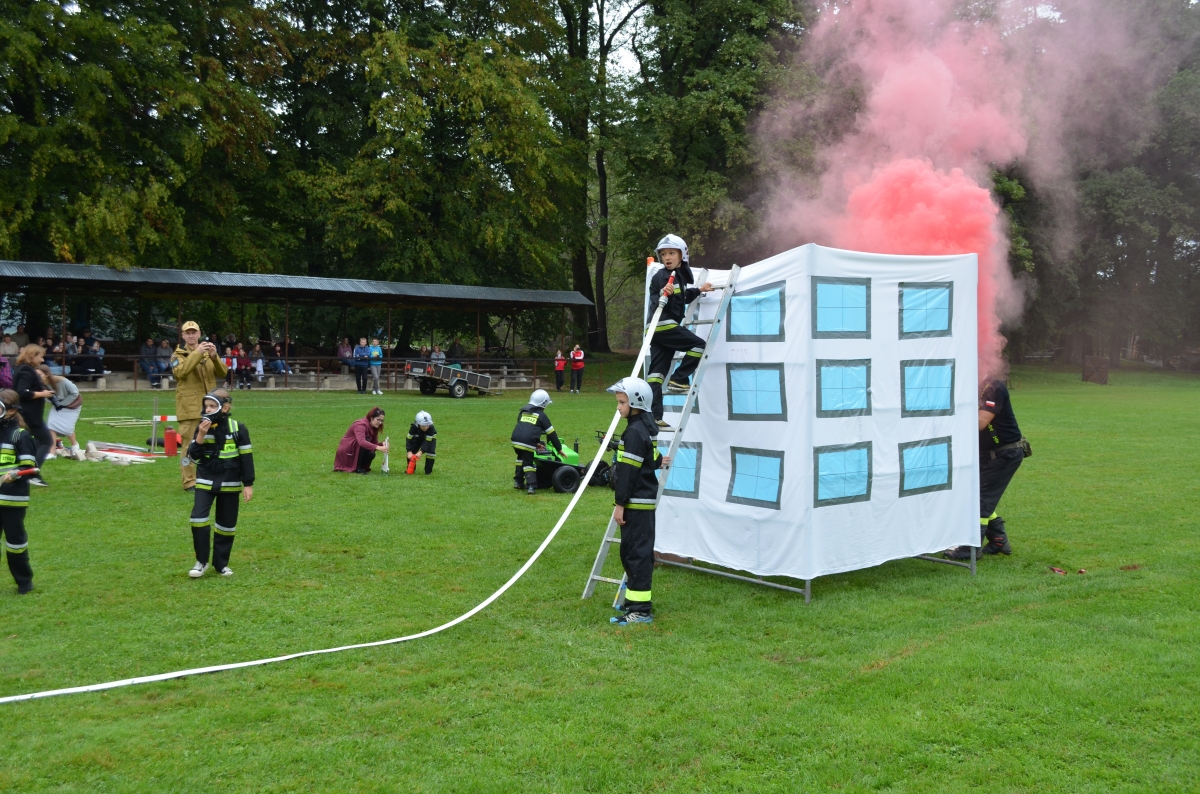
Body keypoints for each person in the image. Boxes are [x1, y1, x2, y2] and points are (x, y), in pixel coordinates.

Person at [946, 379, 1027, 560]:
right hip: (988, 454)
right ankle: (998, 539)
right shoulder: (975, 387)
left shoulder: (993, 387)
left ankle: (971, 547)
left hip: (1004, 454)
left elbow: (981, 422)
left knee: (981, 498)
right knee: (975, 495)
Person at [606, 377, 662, 626]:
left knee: (636, 555)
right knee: (633, 553)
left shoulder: (635, 432)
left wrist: (620, 504)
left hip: (636, 504)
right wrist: (659, 461)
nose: (618, 407)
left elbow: (628, 473)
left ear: (637, 403)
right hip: (640, 503)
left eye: (622, 402)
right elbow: (652, 458)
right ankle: (634, 604)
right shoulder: (643, 427)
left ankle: (640, 611)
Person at [646, 234, 713, 426]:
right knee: (698, 345)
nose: (666, 257)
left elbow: (682, 297)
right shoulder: (661, 276)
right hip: (663, 325)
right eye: (663, 254)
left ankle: (654, 416)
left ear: (682, 255)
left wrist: (699, 290)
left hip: (654, 331)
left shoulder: (680, 277)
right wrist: (663, 292)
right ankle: (679, 379)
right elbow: (659, 294)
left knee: (656, 375)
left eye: (671, 253)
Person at [186, 390, 254, 578]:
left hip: (230, 482)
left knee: (226, 525)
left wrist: (248, 484)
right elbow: (194, 455)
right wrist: (201, 434)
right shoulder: (201, 426)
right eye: (206, 406)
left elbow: (246, 458)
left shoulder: (238, 428)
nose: (207, 409)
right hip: (205, 481)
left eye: (212, 406)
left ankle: (221, 564)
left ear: (225, 408)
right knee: (197, 519)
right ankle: (201, 562)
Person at [171, 321, 227, 492]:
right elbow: (181, 372)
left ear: (199, 334)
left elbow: (223, 372)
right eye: (187, 333)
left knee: (213, 443)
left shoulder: (207, 352)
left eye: (194, 332)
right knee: (188, 446)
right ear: (183, 336)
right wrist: (197, 353)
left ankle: (210, 476)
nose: (191, 336)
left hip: (210, 408)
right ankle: (189, 482)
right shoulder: (177, 355)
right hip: (189, 408)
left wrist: (214, 357)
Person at [0, 389, 38, 593]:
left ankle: (24, 582)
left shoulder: (20, 435)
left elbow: (30, 468)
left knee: (15, 543)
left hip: (12, 499)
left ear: (12, 410)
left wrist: (14, 475)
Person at [13, 345, 53, 483]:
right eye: (40, 356)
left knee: (27, 444)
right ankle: (32, 474)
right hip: (29, 415)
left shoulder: (23, 368)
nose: (42, 360)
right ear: (32, 356)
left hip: (26, 414)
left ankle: (22, 471)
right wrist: (43, 394)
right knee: (47, 441)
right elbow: (22, 392)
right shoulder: (26, 370)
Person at [510, 389, 562, 495]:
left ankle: (518, 482)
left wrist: (535, 443)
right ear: (544, 403)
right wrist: (559, 448)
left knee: (520, 458)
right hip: (527, 442)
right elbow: (551, 433)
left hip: (515, 440)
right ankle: (531, 486)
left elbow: (525, 429)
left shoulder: (523, 412)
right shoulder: (541, 415)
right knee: (528, 463)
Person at [40, 365, 84, 461]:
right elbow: (45, 397)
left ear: (47, 374)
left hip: (72, 405)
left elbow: (75, 393)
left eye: (40, 375)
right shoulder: (40, 384)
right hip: (58, 406)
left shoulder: (62, 381)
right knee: (51, 426)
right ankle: (52, 453)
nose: (37, 377)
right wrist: (54, 402)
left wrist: (62, 404)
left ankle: (75, 446)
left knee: (68, 429)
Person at [334, 407, 389, 473]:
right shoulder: (360, 425)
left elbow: (373, 444)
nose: (380, 423)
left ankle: (361, 467)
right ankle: (357, 467)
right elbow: (361, 442)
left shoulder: (374, 427)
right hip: (347, 451)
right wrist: (378, 447)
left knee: (371, 454)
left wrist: (382, 444)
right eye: (378, 420)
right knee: (366, 440)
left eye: (382, 421)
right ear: (371, 418)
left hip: (356, 448)